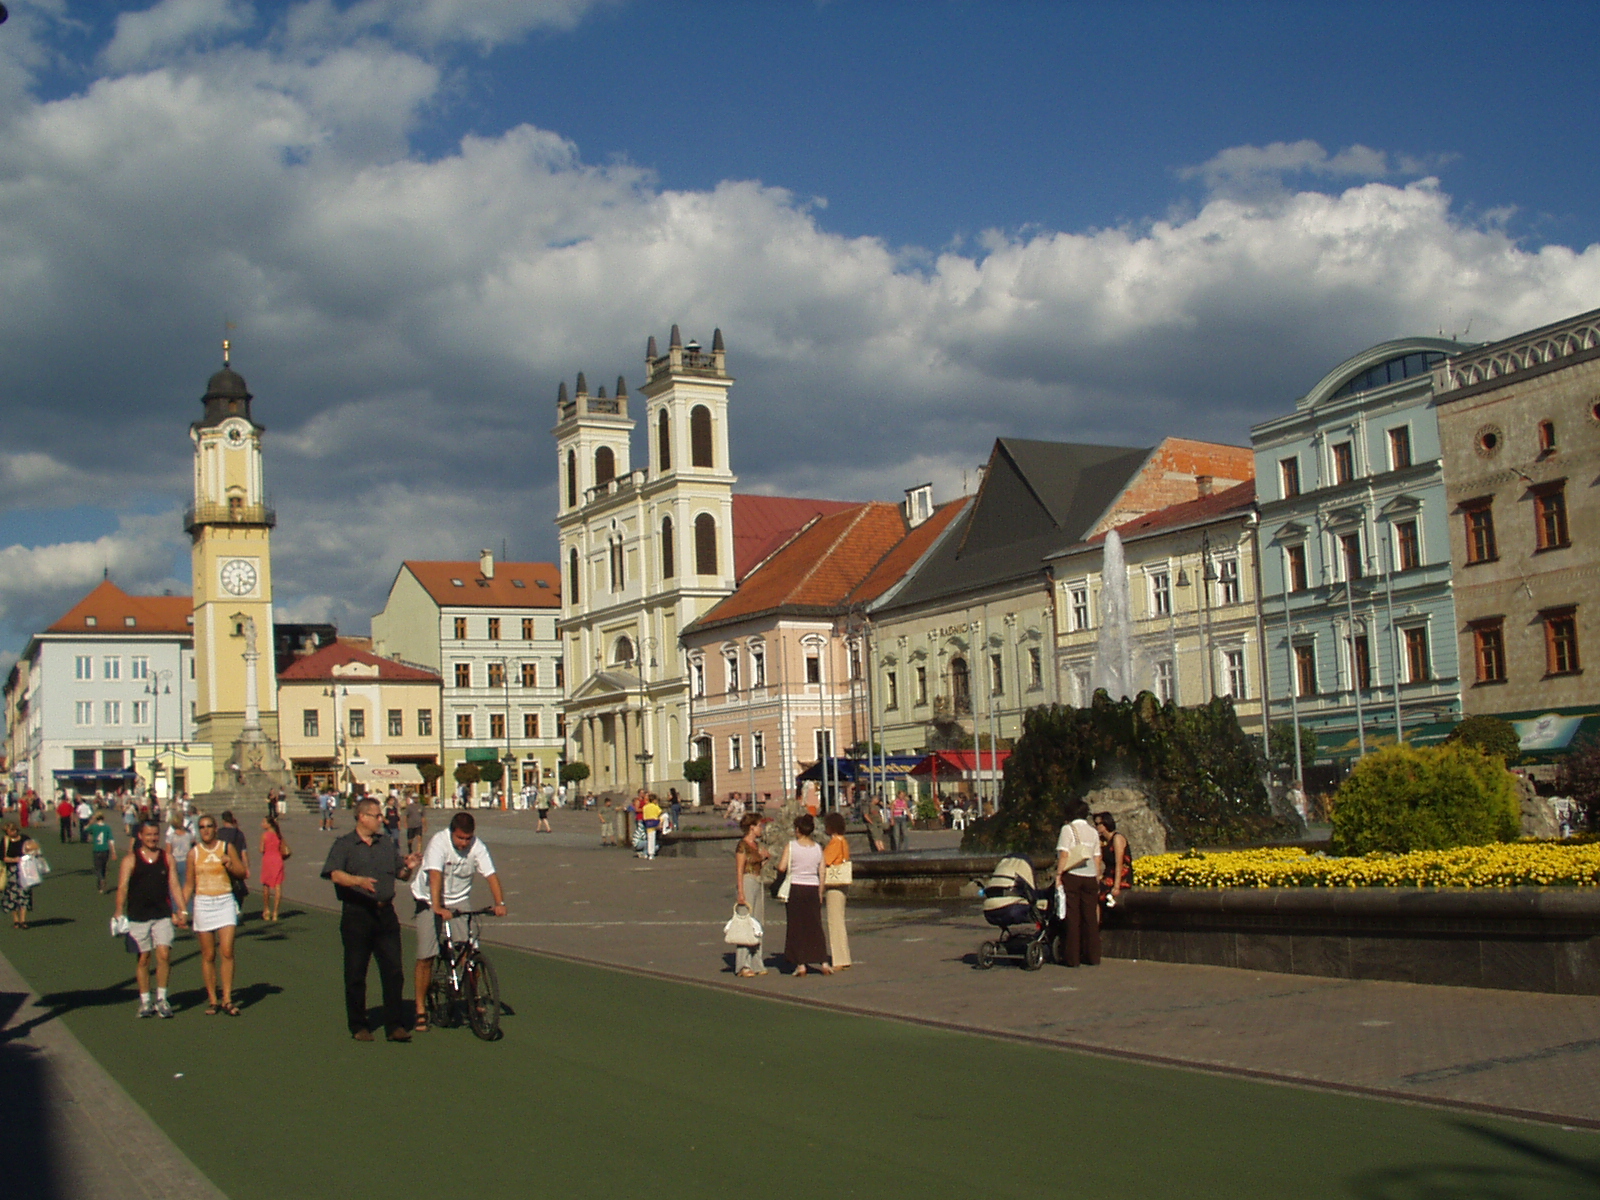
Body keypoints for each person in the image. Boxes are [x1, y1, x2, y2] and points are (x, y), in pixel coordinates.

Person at [321, 797, 422, 1042]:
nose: (382, 820)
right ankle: (358, 1024)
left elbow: (401, 874)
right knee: (356, 972)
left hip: (385, 914)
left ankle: (394, 1024)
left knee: (394, 971)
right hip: (358, 913)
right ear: (362, 817)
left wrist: (409, 866)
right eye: (377, 816)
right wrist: (358, 881)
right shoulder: (345, 844)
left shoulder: (386, 843)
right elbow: (334, 873)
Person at [410, 812, 506, 1032]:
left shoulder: (478, 847)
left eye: (468, 838)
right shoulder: (439, 843)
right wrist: (437, 907)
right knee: (427, 954)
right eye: (460, 838)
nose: (464, 843)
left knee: (470, 950)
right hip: (428, 898)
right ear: (451, 833)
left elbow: (490, 875)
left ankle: (474, 996)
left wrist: (499, 903)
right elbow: (435, 876)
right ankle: (420, 1008)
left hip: (459, 899)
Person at [113, 819, 189, 1017]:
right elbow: (122, 887)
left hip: (162, 914)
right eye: (148, 834)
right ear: (140, 836)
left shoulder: (167, 858)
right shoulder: (130, 860)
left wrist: (182, 909)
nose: (152, 838)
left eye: (155, 834)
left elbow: (174, 885)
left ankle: (162, 999)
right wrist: (118, 911)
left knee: (164, 954)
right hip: (138, 917)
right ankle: (145, 1001)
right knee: (144, 958)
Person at [186, 815, 247, 1015]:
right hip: (203, 902)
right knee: (208, 954)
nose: (205, 830)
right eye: (202, 827)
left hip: (224, 900)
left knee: (227, 951)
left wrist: (230, 864)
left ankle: (227, 999)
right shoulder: (193, 853)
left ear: (216, 828)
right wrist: (180, 908)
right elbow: (188, 884)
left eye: (209, 826)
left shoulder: (225, 847)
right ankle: (213, 999)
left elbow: (242, 872)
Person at [776, 814, 831, 977]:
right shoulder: (818, 848)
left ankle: (801, 964)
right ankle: (824, 962)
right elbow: (822, 871)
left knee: (796, 926)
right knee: (815, 925)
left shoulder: (791, 846)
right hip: (813, 887)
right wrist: (820, 891)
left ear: (798, 830)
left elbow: (782, 867)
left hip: (796, 888)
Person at [1054, 799, 1102, 968]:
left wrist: (1059, 874)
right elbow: (1097, 856)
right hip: (1090, 877)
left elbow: (1064, 854)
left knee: (1072, 917)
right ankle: (1092, 956)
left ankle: (1072, 958)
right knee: (1090, 917)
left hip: (1073, 875)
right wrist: (1096, 875)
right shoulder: (1093, 831)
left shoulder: (1067, 829)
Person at [732, 813, 769, 977]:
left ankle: (756, 961)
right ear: (751, 827)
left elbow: (760, 864)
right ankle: (743, 964)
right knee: (745, 922)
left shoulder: (756, 845)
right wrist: (740, 892)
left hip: (758, 881)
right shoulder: (743, 845)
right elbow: (739, 870)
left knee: (758, 923)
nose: (762, 829)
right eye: (759, 826)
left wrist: (764, 857)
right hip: (747, 882)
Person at [821, 810, 852, 969]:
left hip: (834, 884)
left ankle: (839, 959)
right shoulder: (844, 840)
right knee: (839, 919)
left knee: (834, 921)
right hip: (843, 883)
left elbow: (825, 861)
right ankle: (843, 956)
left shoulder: (835, 842)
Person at [1094, 811, 1133, 909]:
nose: (1096, 827)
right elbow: (1097, 861)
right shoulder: (1102, 841)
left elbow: (1119, 863)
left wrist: (1116, 887)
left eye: (1098, 824)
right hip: (1108, 875)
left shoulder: (1117, 838)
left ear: (1106, 824)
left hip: (1121, 876)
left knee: (1098, 893)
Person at [218, 811, 250, 916]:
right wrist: (246, 867)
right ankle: (237, 909)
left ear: (223, 820)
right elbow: (243, 852)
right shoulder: (239, 833)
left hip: (223, 864)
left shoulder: (219, 833)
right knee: (238, 888)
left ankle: (227, 911)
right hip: (237, 864)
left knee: (225, 888)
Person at [259, 815, 287, 922]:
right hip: (278, 860)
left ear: (269, 824)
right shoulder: (278, 835)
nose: (262, 824)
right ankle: (276, 912)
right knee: (278, 886)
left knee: (266, 885)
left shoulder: (265, 835)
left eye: (264, 822)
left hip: (268, 860)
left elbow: (261, 849)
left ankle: (266, 910)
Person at [2, 822, 29, 929]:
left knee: (24, 894)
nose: (12, 833)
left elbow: (32, 849)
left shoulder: (24, 839)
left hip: (24, 870)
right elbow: (3, 857)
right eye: (9, 832)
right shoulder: (5, 841)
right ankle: (16, 920)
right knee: (12, 896)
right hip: (11, 871)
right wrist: (14, 860)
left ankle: (23, 920)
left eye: (13, 831)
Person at [87, 810, 119, 893]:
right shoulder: (107, 827)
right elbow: (111, 840)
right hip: (105, 849)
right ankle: (103, 881)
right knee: (104, 867)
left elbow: (85, 829)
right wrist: (113, 852)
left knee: (98, 868)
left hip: (97, 849)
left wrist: (91, 821)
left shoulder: (94, 827)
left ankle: (101, 881)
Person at [165, 812, 196, 892]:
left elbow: (168, 853)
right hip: (187, 862)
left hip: (175, 862)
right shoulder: (188, 836)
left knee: (175, 888)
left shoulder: (171, 837)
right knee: (187, 887)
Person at [639, 793, 662, 860]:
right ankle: (651, 854)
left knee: (649, 839)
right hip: (655, 822)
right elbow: (660, 812)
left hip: (648, 823)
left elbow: (644, 816)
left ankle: (646, 853)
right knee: (652, 839)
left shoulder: (645, 807)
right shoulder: (655, 806)